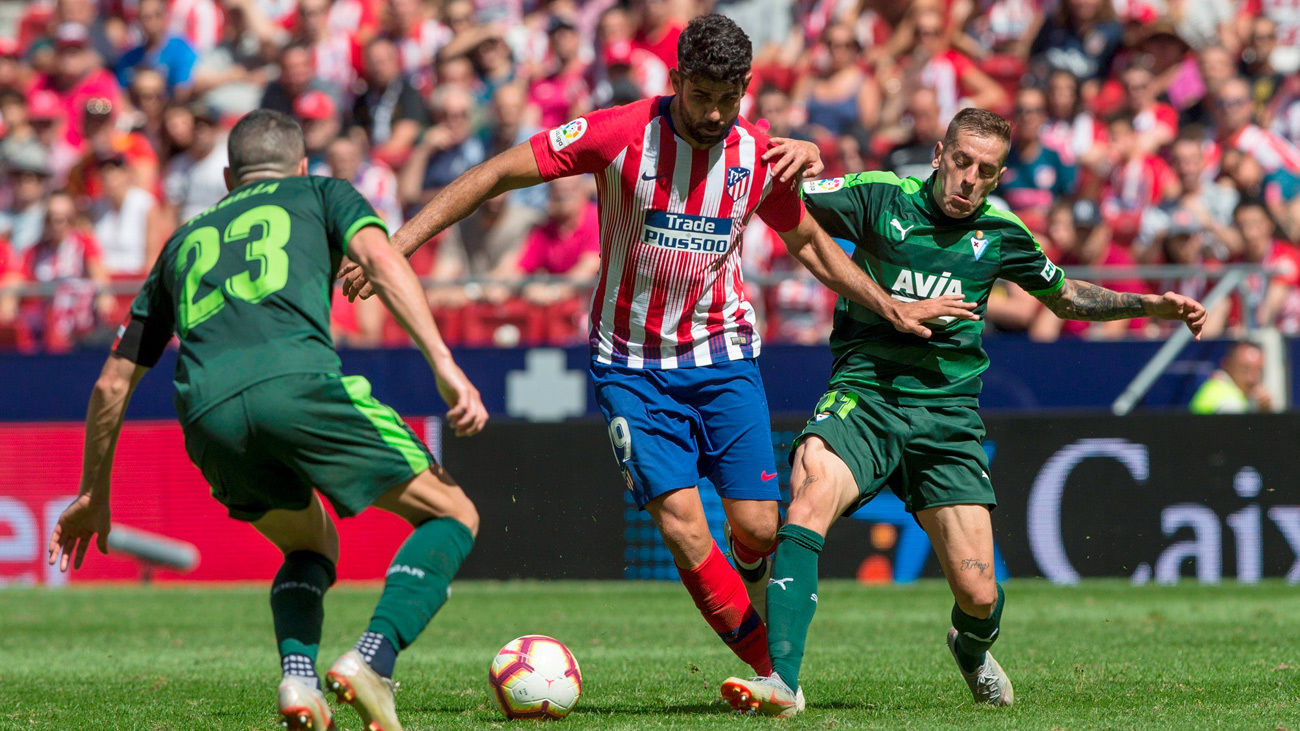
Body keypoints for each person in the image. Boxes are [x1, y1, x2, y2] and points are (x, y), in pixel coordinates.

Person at [341, 13, 973, 696]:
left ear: (747, 90)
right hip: (631, 366)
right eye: (701, 95)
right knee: (682, 527)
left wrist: (889, 303)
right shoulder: (618, 133)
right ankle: (773, 674)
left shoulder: (757, 154)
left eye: (730, 99)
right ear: (675, 80)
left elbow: (812, 244)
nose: (714, 112)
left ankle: (762, 628)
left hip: (724, 356)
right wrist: (395, 246)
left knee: (759, 528)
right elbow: (496, 173)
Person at [719, 107, 1207, 716]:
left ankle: (971, 649)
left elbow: (1067, 298)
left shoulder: (1002, 234)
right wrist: (794, 153)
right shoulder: (878, 197)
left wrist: (1150, 305)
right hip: (866, 395)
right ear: (938, 155)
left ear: (999, 177)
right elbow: (772, 193)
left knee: (979, 593)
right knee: (811, 496)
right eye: (961, 161)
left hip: (947, 418)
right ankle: (782, 683)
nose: (969, 178)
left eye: (985, 170)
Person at [46, 109, 488, 731]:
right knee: (453, 513)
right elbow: (382, 260)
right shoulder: (323, 192)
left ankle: (298, 679)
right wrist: (444, 364)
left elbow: (112, 382)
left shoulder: (182, 242)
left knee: (311, 545)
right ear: (301, 165)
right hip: (298, 384)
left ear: (230, 178)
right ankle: (372, 661)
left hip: (206, 416)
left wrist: (94, 492)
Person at [1190, 340, 1271, 413]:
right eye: (1245, 369)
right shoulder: (1232, 404)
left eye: (1258, 370)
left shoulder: (1213, 386)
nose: (1252, 378)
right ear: (1227, 365)